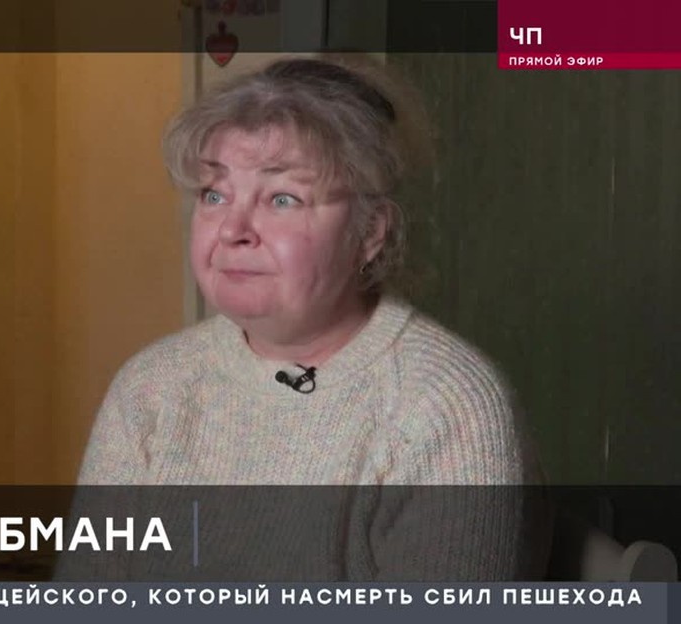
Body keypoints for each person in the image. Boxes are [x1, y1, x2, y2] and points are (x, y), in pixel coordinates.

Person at [72, 55, 550, 581]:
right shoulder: (152, 386)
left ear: (370, 233)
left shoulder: (445, 406)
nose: (232, 229)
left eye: (282, 198)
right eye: (215, 194)